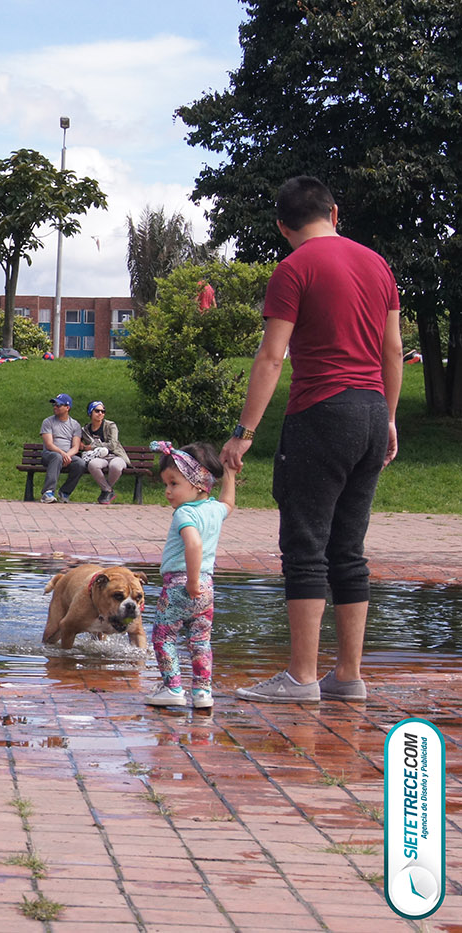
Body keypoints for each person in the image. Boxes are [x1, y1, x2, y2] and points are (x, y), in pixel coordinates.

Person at [223, 176, 402, 704]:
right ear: (335, 212)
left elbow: (272, 356)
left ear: (283, 225)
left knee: (305, 547)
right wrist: (388, 418)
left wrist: (244, 432)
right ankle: (348, 676)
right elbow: (393, 350)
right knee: (349, 549)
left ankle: (302, 678)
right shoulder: (378, 265)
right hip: (371, 412)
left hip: (321, 413)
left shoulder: (293, 268)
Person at [144, 441, 236, 709]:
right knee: (200, 640)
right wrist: (229, 474)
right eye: (166, 484)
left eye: (174, 484)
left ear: (198, 483)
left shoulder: (185, 513)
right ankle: (202, 692)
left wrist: (191, 581)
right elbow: (228, 502)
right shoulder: (214, 510)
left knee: (164, 636)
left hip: (180, 585)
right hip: (207, 587)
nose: (167, 491)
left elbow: (193, 544)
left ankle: (173, 687)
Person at [38, 393, 85, 503]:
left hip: (67, 455)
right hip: (50, 454)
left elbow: (76, 447)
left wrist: (67, 456)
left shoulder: (75, 425)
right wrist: (62, 454)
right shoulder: (48, 422)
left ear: (67, 408)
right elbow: (49, 444)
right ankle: (48, 492)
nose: (55, 407)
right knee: (57, 457)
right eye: (54, 405)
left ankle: (65, 492)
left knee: (80, 464)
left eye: (58, 405)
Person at [80, 400, 128, 504]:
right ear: (90, 412)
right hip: (99, 457)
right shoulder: (85, 430)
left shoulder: (111, 425)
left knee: (115, 466)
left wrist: (92, 446)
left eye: (103, 411)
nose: (100, 413)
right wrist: (82, 446)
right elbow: (78, 443)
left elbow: (112, 444)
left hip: (115, 455)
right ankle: (108, 490)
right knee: (92, 464)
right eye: (97, 411)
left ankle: (105, 490)